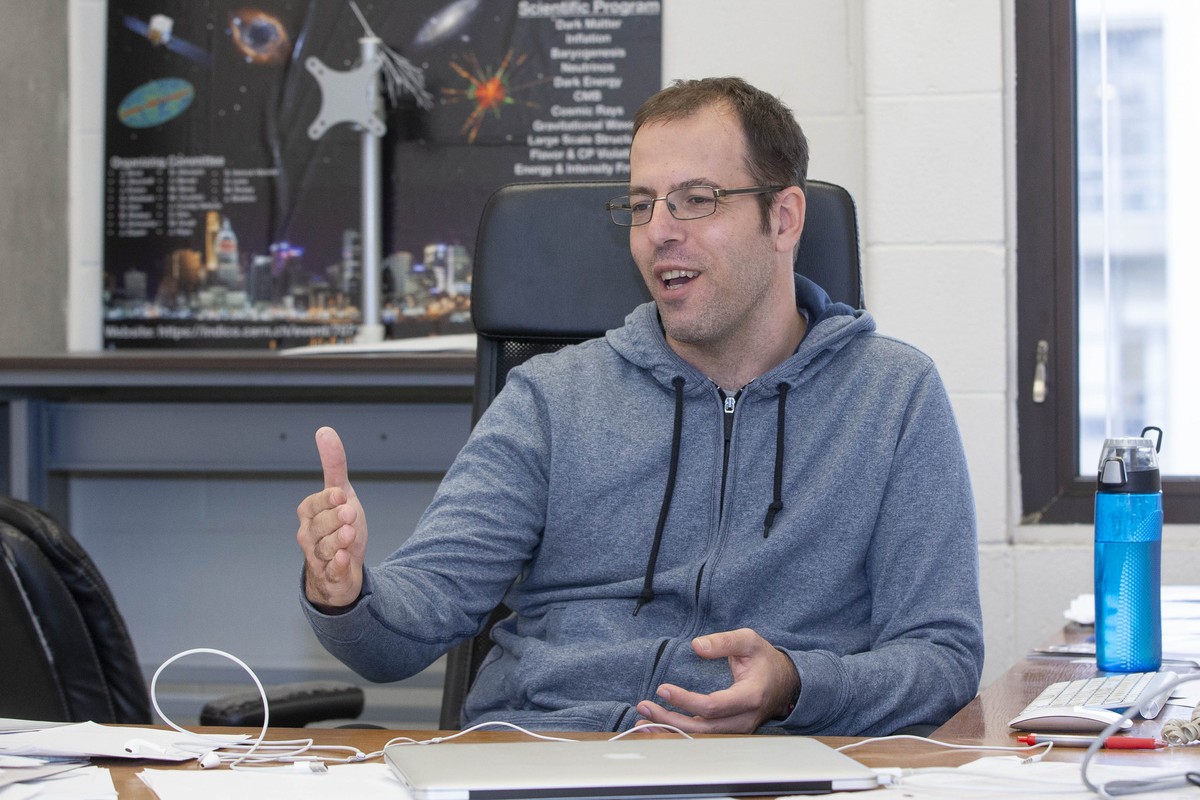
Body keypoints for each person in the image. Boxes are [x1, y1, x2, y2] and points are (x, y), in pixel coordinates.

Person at [297, 76, 984, 736]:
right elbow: (399, 634)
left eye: (695, 200)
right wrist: (347, 590)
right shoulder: (549, 400)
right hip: (546, 760)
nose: (658, 230)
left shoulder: (892, 398)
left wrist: (795, 686)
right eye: (642, 204)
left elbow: (940, 659)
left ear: (783, 217)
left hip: (760, 767)